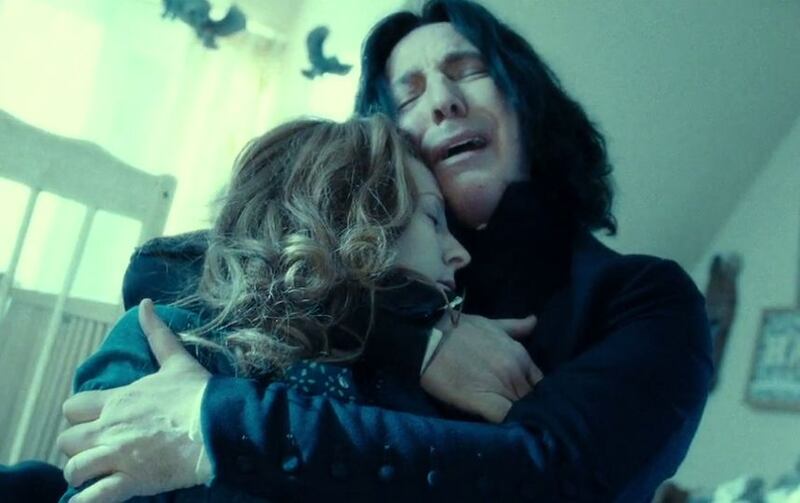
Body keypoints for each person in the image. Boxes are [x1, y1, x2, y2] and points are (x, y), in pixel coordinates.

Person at [58, 1, 713, 501]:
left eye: (470, 70)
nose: (444, 100)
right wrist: (408, 332)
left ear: (528, 101)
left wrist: (224, 424)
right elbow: (165, 270)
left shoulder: (647, 298)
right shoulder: (383, 265)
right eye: (410, 93)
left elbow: (557, 477)